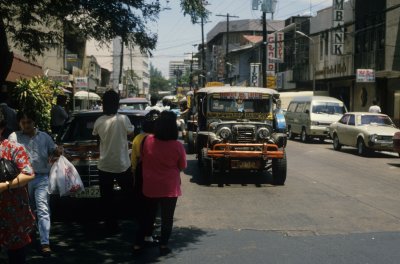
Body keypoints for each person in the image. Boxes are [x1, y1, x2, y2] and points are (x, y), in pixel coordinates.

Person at [8, 111, 63, 257]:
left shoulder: (44, 136)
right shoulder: (14, 137)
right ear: (19, 123)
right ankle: (29, 236)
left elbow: (54, 151)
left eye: (29, 122)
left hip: (42, 178)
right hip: (22, 180)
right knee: (28, 210)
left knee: (43, 208)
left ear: (34, 122)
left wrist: (58, 151)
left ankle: (45, 243)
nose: (26, 125)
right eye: (23, 122)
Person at [133, 111, 187, 256]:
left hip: (150, 185)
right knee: (167, 219)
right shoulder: (178, 146)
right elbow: (182, 166)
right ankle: (163, 245)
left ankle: (138, 244)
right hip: (170, 188)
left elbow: (142, 158)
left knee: (147, 216)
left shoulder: (147, 140)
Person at [92, 90, 135, 232]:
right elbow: (131, 134)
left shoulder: (98, 121)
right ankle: (132, 219)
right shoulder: (123, 119)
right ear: (117, 104)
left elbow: (97, 141)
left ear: (103, 104)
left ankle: (111, 224)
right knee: (129, 193)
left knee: (107, 198)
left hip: (104, 165)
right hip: (122, 164)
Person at [0, 108, 35, 264]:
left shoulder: (13, 148)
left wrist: (6, 185)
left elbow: (28, 174)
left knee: (16, 255)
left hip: (12, 212)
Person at [131, 110, 160, 245]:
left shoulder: (138, 138)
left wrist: (134, 174)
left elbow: (134, 161)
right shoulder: (159, 139)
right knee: (152, 205)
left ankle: (140, 233)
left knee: (142, 204)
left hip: (141, 173)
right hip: (155, 174)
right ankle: (149, 232)